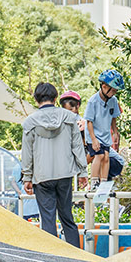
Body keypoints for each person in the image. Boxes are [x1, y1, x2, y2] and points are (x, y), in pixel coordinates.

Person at [19, 82, 86, 247]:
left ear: (36, 99)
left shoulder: (30, 122)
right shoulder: (69, 118)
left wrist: (27, 176)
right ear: (56, 98)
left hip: (42, 177)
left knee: (47, 220)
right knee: (67, 218)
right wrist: (83, 172)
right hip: (65, 174)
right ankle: (76, 258)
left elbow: (27, 153)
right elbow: (77, 146)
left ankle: (53, 260)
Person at [84, 68, 124, 206]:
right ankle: (94, 181)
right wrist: (93, 139)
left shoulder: (113, 100)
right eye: (113, 90)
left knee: (107, 157)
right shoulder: (93, 101)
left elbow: (113, 118)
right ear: (104, 86)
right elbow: (88, 121)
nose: (114, 93)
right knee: (99, 156)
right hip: (93, 135)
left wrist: (115, 132)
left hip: (105, 135)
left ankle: (104, 183)